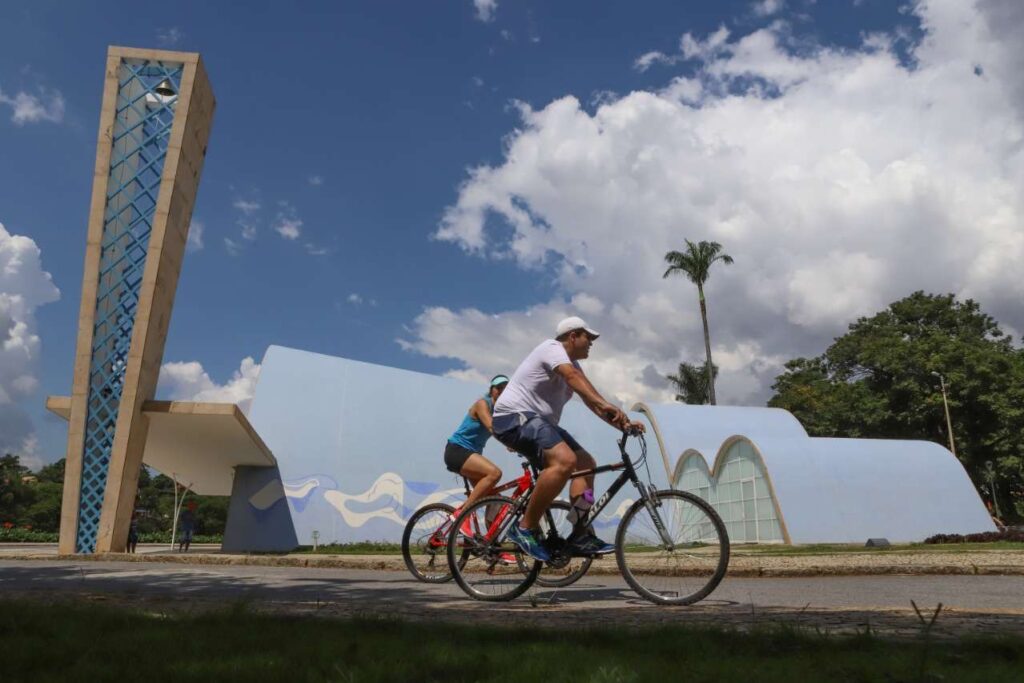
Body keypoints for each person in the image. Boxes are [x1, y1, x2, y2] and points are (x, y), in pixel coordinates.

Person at [491, 316, 645, 561]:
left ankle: (580, 533)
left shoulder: (575, 367)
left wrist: (623, 425)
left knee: (586, 464)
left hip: (540, 422)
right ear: (573, 336)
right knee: (565, 460)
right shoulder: (551, 349)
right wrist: (606, 404)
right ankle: (524, 528)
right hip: (513, 418)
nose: (591, 343)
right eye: (588, 337)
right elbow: (576, 382)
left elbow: (591, 402)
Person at [445, 375, 509, 514]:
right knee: (494, 473)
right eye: (499, 388)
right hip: (457, 450)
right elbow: (491, 426)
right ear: (491, 390)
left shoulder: (501, 412)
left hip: (470, 455)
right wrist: (510, 443)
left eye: (505, 389)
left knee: (494, 500)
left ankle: (492, 536)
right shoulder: (482, 404)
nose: (502, 391)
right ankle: (461, 515)